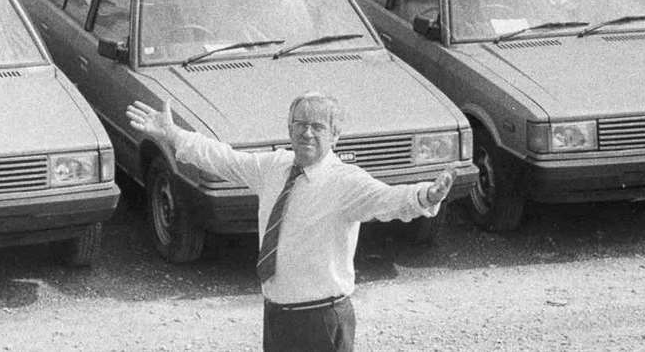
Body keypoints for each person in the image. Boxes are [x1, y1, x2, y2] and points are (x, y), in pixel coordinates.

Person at [126, 92, 461, 352]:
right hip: (276, 315)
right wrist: (173, 134)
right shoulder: (273, 167)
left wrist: (425, 196)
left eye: (318, 126)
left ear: (336, 136)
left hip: (322, 318)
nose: (308, 132)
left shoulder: (346, 182)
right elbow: (224, 158)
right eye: (300, 124)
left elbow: (388, 200)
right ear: (289, 129)